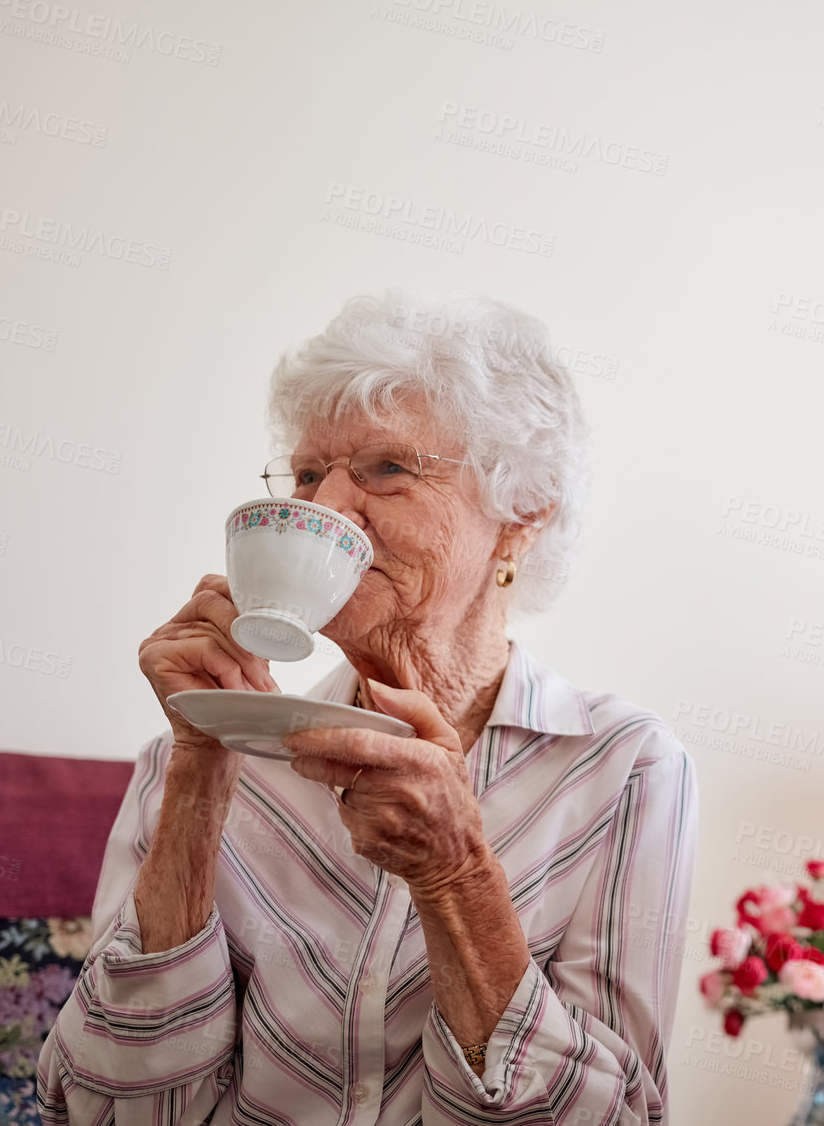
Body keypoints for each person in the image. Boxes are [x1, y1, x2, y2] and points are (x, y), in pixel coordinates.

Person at [36, 291, 698, 1125]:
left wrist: (457, 875)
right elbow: (104, 1108)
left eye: (388, 468)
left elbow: (615, 1116)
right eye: (310, 475)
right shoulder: (183, 755)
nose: (323, 509)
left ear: (519, 519)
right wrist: (205, 771)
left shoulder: (626, 767)